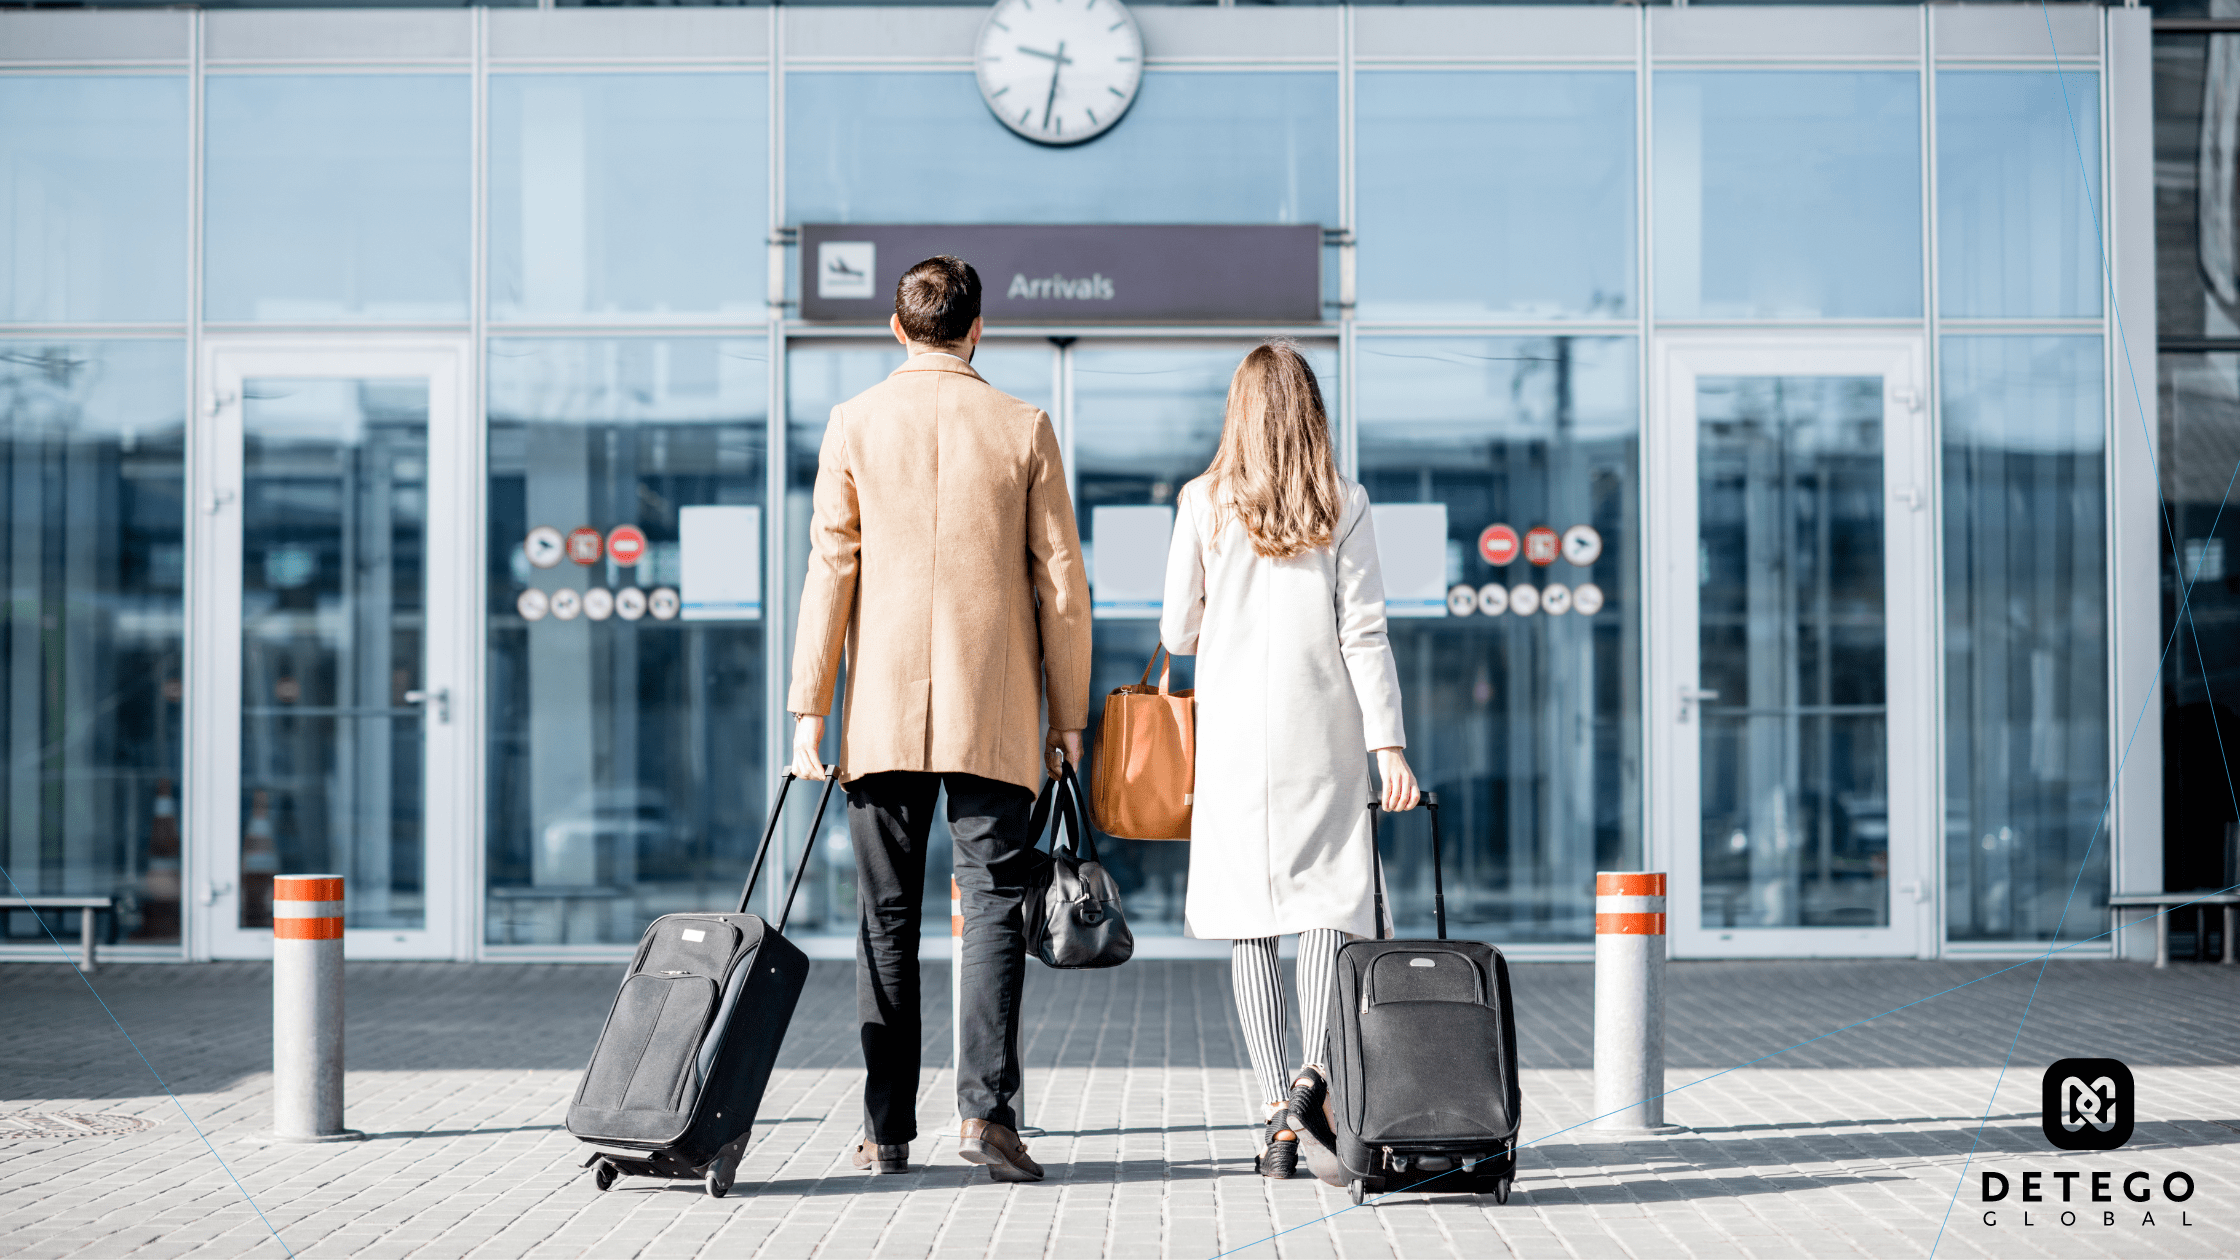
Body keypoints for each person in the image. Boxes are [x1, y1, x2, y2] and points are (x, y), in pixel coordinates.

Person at [788, 255, 1091, 1183]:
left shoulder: (854, 424)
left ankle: (886, 1132)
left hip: (878, 714)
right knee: (992, 906)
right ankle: (986, 1117)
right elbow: (1062, 586)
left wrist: (809, 707)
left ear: (896, 327)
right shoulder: (1022, 425)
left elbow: (829, 572)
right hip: (992, 710)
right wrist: (1068, 716)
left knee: (885, 919)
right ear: (978, 329)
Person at [1158, 340, 1420, 1180]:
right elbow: (1365, 632)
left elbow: (1177, 633)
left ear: (1238, 413)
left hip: (1235, 742)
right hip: (1325, 734)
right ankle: (1316, 1078)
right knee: (1323, 909)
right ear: (1310, 412)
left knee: (1250, 920)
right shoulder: (1342, 502)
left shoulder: (1203, 501)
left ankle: (1277, 1114)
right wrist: (1390, 746)